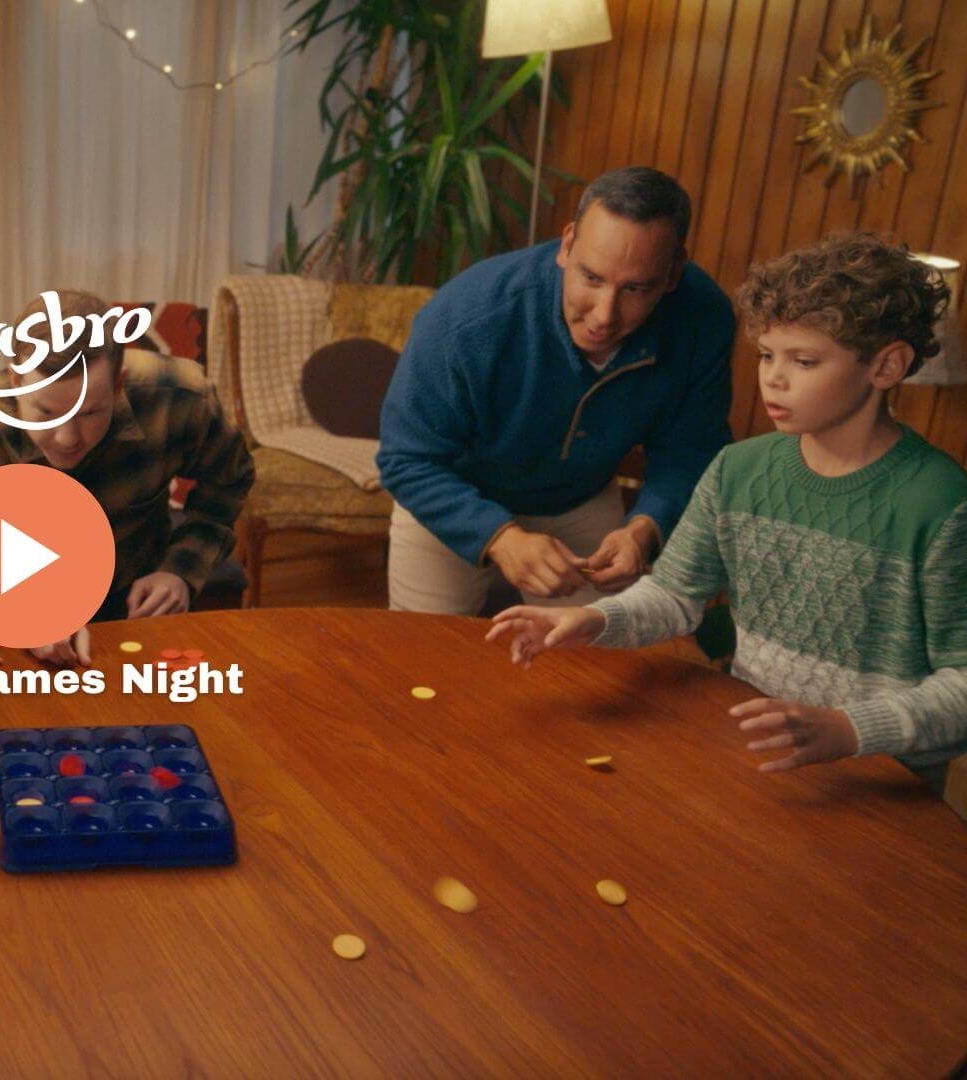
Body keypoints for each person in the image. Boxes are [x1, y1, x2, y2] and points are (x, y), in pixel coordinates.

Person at [487, 233, 967, 787]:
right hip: (751, 758)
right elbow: (675, 595)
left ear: (886, 366)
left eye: (804, 360)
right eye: (766, 355)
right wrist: (594, 620)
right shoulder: (737, 469)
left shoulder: (939, 502)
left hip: (883, 785)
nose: (773, 378)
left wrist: (852, 729)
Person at [377, 166, 737, 614]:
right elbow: (406, 459)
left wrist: (645, 527)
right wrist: (501, 538)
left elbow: (693, 448)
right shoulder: (465, 316)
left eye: (635, 289)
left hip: (579, 500)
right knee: (423, 651)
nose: (604, 315)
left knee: (601, 649)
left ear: (674, 271)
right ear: (567, 244)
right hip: (450, 496)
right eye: (591, 278)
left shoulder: (703, 318)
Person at [0, 289, 255, 665]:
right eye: (46, 413)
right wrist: (26, 613)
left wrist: (179, 570)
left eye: (89, 413)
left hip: (138, 601)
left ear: (117, 384)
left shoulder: (180, 398)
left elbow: (229, 481)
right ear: (16, 382)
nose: (67, 439)